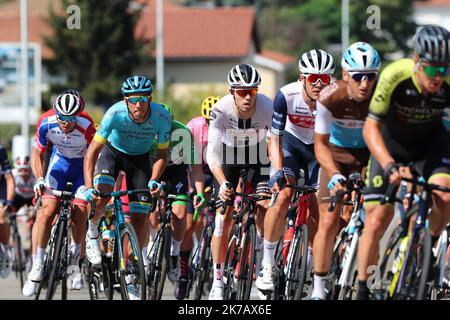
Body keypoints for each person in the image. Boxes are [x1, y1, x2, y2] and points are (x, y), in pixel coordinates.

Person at [357, 25, 450, 300]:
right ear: (416, 62)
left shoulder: (447, 81)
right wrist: (388, 165)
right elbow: (370, 128)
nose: (438, 78)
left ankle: (430, 246)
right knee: (375, 220)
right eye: (432, 70)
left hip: (430, 146)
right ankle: (362, 286)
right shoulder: (394, 75)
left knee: (444, 197)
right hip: (391, 146)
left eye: (444, 69)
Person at [83, 76, 171, 300]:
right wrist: (87, 186)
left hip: (140, 161)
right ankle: (92, 231)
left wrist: (155, 178)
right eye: (133, 100)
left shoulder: (161, 116)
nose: (139, 105)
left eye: (143, 99)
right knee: (102, 197)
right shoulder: (114, 113)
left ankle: (130, 274)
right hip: (112, 154)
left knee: (140, 220)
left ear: (149, 99)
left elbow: (162, 155)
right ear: (126, 100)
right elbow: (92, 153)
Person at [257, 49, 335, 296]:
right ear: (302, 78)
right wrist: (277, 171)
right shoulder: (286, 96)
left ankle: (311, 265)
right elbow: (275, 139)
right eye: (314, 79)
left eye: (325, 79)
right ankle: (267, 264)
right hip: (290, 144)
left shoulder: (334, 99)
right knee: (282, 196)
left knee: (318, 206)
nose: (320, 84)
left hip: (319, 150)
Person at [311, 42, 381, 300]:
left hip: (366, 156)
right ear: (345, 75)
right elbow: (320, 144)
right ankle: (318, 289)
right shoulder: (330, 96)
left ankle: (369, 284)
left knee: (372, 222)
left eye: (371, 76)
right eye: (358, 76)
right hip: (335, 155)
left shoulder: (379, 98)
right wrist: (334, 174)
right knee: (328, 220)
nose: (365, 83)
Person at [206, 63, 273, 300]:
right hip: (229, 157)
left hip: (258, 156)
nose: (247, 97)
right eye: (242, 91)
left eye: (252, 91)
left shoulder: (267, 107)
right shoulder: (220, 110)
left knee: (265, 202)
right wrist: (223, 183)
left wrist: (273, 175)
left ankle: (265, 265)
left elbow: (276, 143)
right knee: (222, 218)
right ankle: (217, 281)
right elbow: (211, 153)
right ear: (231, 91)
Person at [23, 92, 95, 297]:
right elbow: (37, 152)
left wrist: (90, 186)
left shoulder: (87, 125)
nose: (65, 122)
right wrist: (39, 179)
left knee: (81, 211)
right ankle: (37, 265)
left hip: (81, 166)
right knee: (47, 211)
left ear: (78, 115)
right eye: (62, 117)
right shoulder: (45, 122)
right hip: (59, 165)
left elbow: (94, 155)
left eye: (71, 118)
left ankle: (74, 259)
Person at [173, 96, 221, 300]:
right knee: (191, 222)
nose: (211, 125)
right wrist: (192, 189)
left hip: (216, 171)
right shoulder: (193, 126)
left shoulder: (227, 126)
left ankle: (217, 265)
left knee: (221, 217)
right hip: (195, 169)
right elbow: (184, 160)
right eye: (208, 121)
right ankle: (184, 273)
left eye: (214, 121)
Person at [0, 144, 15, 279]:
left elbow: (9, 179)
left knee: (1, 217)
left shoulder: (0, 149)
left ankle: (4, 251)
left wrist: (9, 202)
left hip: (1, 189)